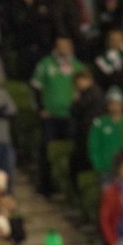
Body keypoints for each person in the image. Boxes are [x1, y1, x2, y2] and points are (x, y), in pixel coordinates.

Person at [31, 37, 85, 195]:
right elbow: (35, 87)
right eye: (61, 45)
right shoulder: (46, 64)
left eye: (67, 45)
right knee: (47, 152)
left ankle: (67, 189)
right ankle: (45, 188)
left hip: (70, 117)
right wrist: (40, 108)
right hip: (51, 117)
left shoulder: (77, 65)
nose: (64, 48)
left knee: (68, 153)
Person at [88, 87, 123, 178]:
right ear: (108, 105)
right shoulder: (100, 124)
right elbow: (93, 145)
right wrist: (98, 164)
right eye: (112, 103)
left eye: (118, 104)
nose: (115, 106)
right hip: (106, 168)